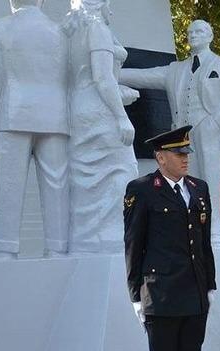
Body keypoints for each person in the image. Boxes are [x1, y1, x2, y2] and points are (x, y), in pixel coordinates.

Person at [123, 126, 217, 351]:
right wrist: (136, 295)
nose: (185, 159)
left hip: (195, 294)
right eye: (178, 154)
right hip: (160, 295)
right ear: (160, 158)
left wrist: (210, 285)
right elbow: (133, 244)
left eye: (186, 153)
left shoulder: (198, 188)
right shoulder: (142, 190)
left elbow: (204, 243)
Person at [120, 19, 220, 244]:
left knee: (212, 179)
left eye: (199, 31)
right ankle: (192, 227)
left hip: (210, 130)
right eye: (190, 32)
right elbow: (145, 76)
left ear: (210, 36)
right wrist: (111, 73)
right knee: (185, 181)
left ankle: (216, 229)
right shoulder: (176, 70)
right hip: (182, 135)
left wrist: (214, 123)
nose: (193, 35)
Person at [0, 0, 70, 261]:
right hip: (56, 116)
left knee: (10, 183)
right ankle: (58, 248)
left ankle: (4, 247)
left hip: (14, 113)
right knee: (57, 183)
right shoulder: (61, 32)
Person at [63, 0, 138, 253]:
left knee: (85, 177)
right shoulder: (97, 29)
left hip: (78, 108)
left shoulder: (69, 31)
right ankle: (112, 236)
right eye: (108, 4)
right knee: (123, 168)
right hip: (100, 110)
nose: (112, 10)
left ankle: (85, 239)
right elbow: (103, 79)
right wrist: (121, 117)